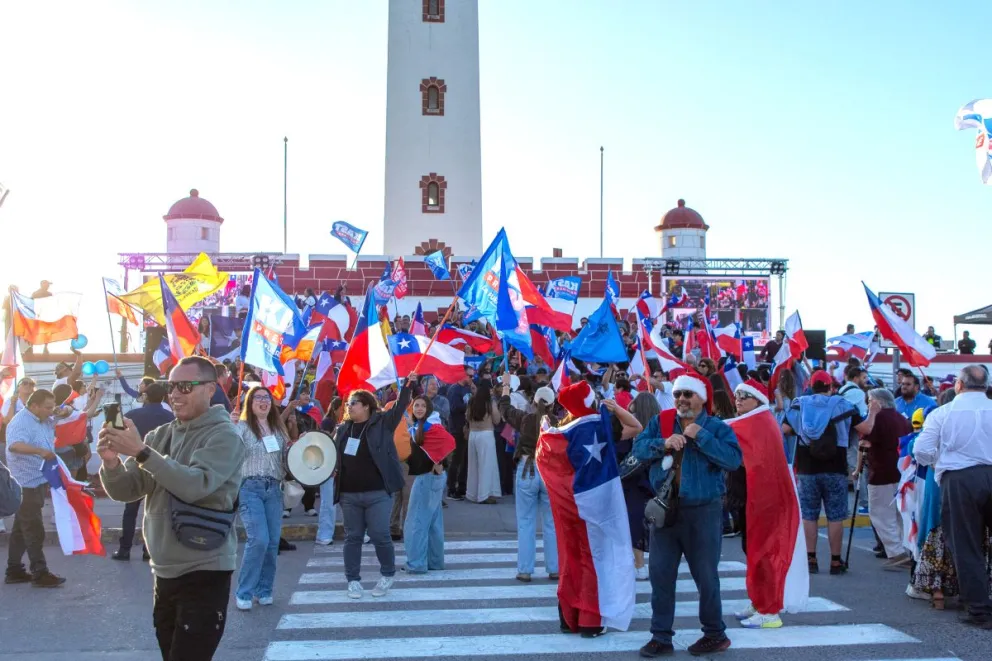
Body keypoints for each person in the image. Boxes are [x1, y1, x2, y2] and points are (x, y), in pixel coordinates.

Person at [98, 356, 246, 661]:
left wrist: (141, 452)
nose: (174, 394)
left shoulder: (224, 436)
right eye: (170, 387)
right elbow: (127, 490)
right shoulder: (160, 435)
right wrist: (111, 462)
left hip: (204, 569)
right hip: (163, 572)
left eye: (184, 386)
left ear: (209, 389)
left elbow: (195, 486)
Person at [634, 372, 743, 657]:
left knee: (706, 577)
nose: (682, 399)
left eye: (688, 394)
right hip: (666, 510)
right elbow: (639, 448)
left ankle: (715, 634)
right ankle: (661, 637)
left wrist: (701, 435)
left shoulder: (716, 427)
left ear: (702, 399)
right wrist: (663, 443)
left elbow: (733, 460)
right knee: (660, 575)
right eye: (679, 393)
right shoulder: (661, 422)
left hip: (703, 511)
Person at [914, 365, 992, 629]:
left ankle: (979, 610)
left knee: (966, 544)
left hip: (960, 478)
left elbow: (922, 450)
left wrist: (939, 463)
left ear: (959, 384)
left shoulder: (943, 413)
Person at [783, 370, 877, 576]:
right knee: (835, 516)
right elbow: (866, 428)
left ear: (811, 385)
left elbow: (784, 429)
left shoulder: (800, 404)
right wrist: (874, 411)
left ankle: (811, 559)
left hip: (807, 468)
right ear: (831, 387)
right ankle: (835, 561)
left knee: (809, 515)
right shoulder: (843, 405)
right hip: (835, 468)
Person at [332, 373, 417, 600]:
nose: (349, 407)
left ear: (367, 406)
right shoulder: (343, 430)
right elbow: (332, 455)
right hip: (349, 494)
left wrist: (409, 384)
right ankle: (353, 581)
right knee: (353, 537)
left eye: (354, 404)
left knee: (380, 534)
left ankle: (387, 574)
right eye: (349, 404)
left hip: (378, 492)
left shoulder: (382, 423)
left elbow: (400, 406)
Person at [232, 385, 290, 611]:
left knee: (272, 542)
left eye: (267, 398)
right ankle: (244, 592)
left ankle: (264, 590)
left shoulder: (278, 429)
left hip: (274, 488)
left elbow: (287, 459)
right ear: (250, 402)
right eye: (258, 398)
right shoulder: (243, 426)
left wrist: (301, 445)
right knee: (259, 540)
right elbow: (231, 448)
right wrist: (231, 425)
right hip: (250, 488)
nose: (264, 401)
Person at [498, 377, 559, 582]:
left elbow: (504, 409)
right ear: (552, 404)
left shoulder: (525, 419)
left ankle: (525, 569)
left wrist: (506, 387)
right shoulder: (559, 423)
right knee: (551, 522)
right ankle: (555, 568)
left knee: (526, 522)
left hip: (527, 468)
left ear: (534, 401)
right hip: (550, 472)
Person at [4, 390, 66, 588]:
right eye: (47, 407)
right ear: (34, 406)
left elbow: (60, 415)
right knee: (34, 530)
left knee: (21, 530)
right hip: (25, 484)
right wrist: (40, 451)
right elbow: (14, 445)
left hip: (38, 480)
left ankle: (14, 570)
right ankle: (40, 573)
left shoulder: (42, 418)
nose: (50, 411)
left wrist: (61, 412)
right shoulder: (21, 421)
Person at [113, 383, 175, 561]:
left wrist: (112, 412)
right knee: (156, 509)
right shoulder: (170, 417)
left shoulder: (134, 414)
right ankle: (150, 550)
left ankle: (124, 549)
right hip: (161, 465)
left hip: (136, 464)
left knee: (130, 510)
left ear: (146, 396)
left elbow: (114, 426)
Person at [855, 388, 912, 569]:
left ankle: (896, 552)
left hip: (881, 471)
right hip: (901, 470)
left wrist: (857, 469)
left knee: (880, 513)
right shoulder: (902, 418)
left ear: (876, 402)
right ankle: (905, 548)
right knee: (899, 513)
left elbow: (864, 444)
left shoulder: (876, 419)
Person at [403, 395, 453, 573]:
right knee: (433, 521)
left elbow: (448, 442)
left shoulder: (429, 426)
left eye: (423, 406)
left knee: (416, 520)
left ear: (429, 408)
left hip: (428, 477)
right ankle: (435, 562)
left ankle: (416, 563)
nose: (419, 408)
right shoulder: (422, 426)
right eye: (416, 405)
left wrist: (438, 463)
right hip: (432, 477)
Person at [465, 381, 502, 504]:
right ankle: (484, 495)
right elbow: (497, 420)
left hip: (473, 435)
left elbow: (467, 417)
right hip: (486, 434)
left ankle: (473, 494)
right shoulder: (490, 402)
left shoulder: (471, 401)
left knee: (473, 466)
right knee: (486, 465)